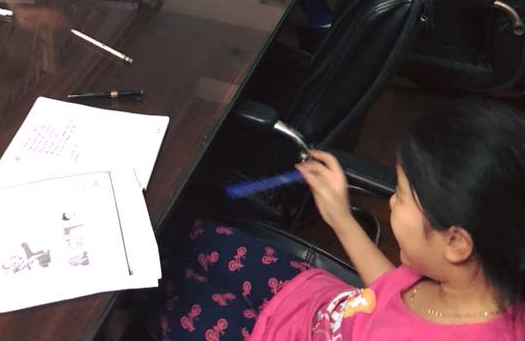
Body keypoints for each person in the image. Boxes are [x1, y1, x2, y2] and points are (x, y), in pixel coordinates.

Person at [149, 98, 525, 341]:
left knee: (152, 299)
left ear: (456, 243)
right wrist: (341, 218)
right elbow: (392, 294)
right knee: (182, 234)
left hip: (263, 334)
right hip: (305, 297)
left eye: (401, 195)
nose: (391, 201)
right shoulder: (476, 281)